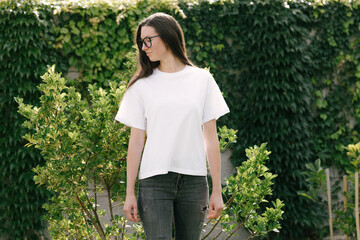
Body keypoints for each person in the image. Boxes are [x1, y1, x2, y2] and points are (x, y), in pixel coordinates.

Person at [115, 12, 230, 240]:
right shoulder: (141, 86)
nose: (144, 47)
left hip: (194, 181)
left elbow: (210, 137)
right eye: (141, 42)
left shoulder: (202, 80)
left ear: (167, 36)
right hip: (154, 181)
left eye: (148, 40)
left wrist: (216, 189)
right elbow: (136, 141)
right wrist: (129, 193)